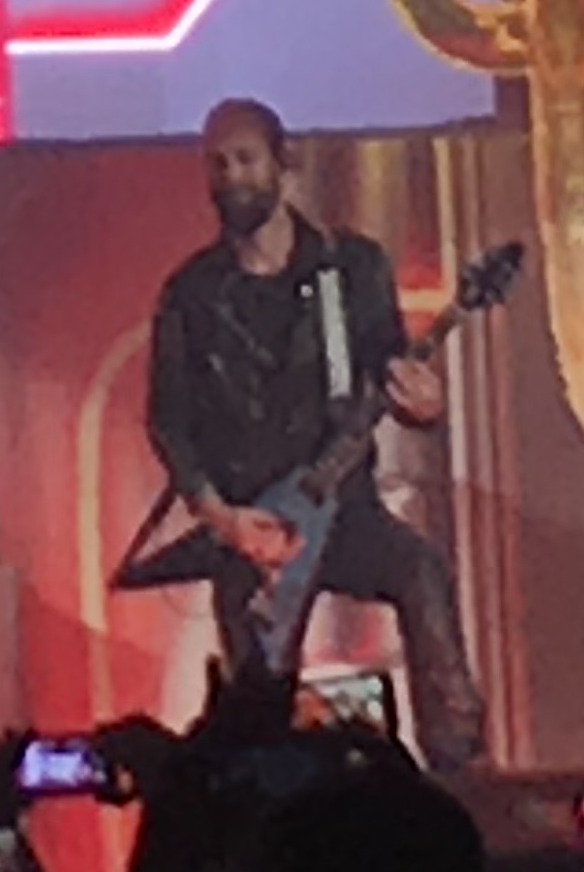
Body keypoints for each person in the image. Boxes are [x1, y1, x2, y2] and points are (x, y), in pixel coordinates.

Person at [132, 98, 485, 768]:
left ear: (282, 163)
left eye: (245, 160)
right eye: (217, 164)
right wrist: (224, 519)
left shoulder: (348, 268)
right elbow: (168, 421)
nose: (231, 178)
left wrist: (424, 405)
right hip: (250, 525)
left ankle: (458, 771)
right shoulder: (193, 293)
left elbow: (390, 376)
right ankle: (262, 794)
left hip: (347, 511)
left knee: (421, 572)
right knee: (256, 704)